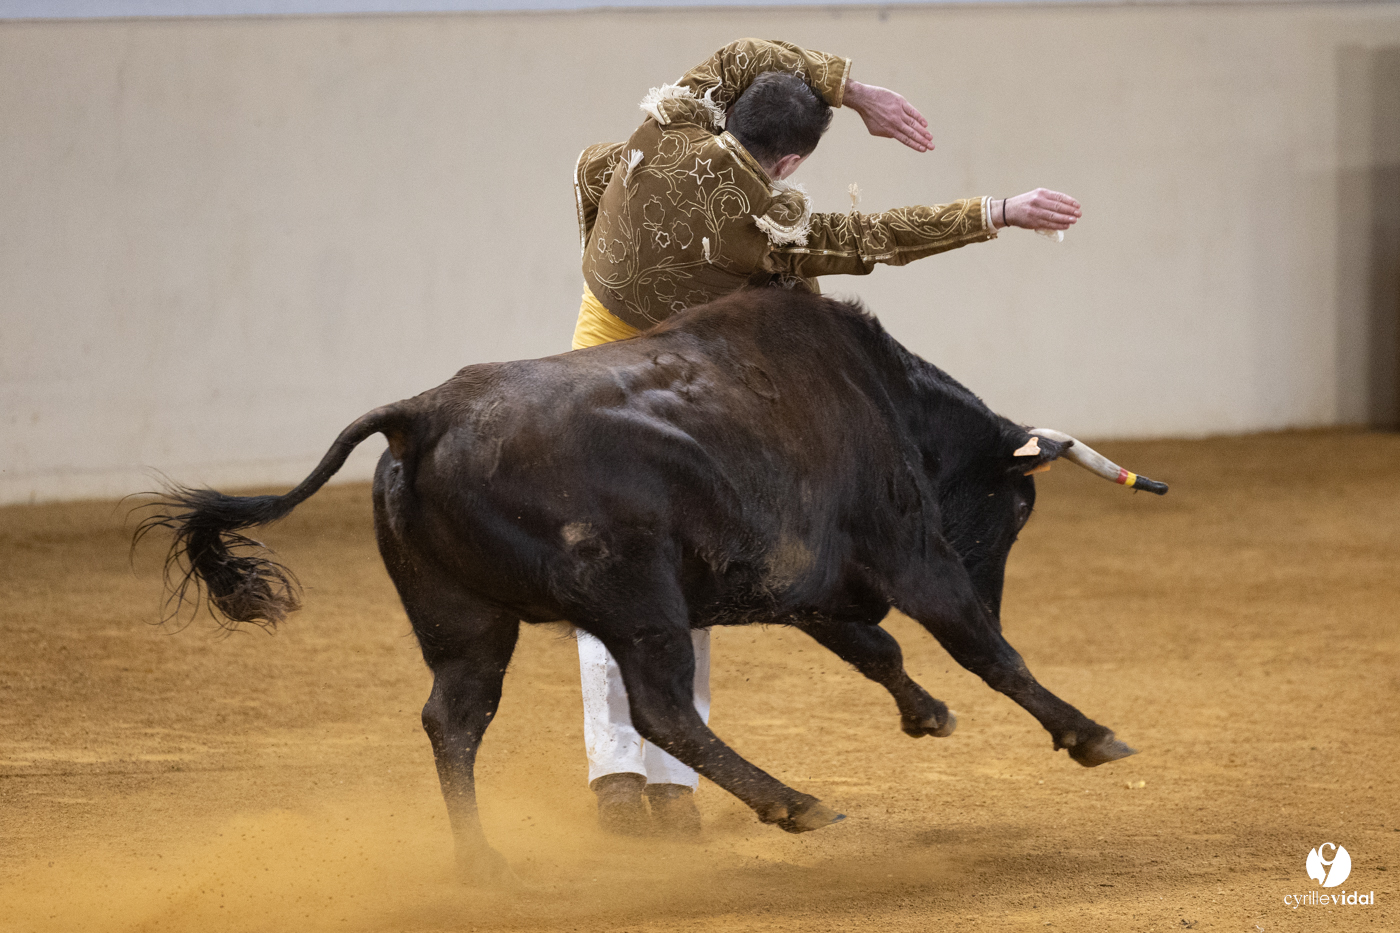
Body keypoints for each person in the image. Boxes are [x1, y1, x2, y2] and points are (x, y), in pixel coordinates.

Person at [569, 38, 1080, 837]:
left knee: (608, 568)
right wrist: (997, 212)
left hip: (593, 358)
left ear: (727, 112)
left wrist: (853, 90)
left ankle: (619, 775)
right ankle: (671, 783)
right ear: (788, 166)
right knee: (686, 572)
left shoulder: (669, 124)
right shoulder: (769, 220)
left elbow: (739, 51)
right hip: (677, 389)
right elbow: (877, 237)